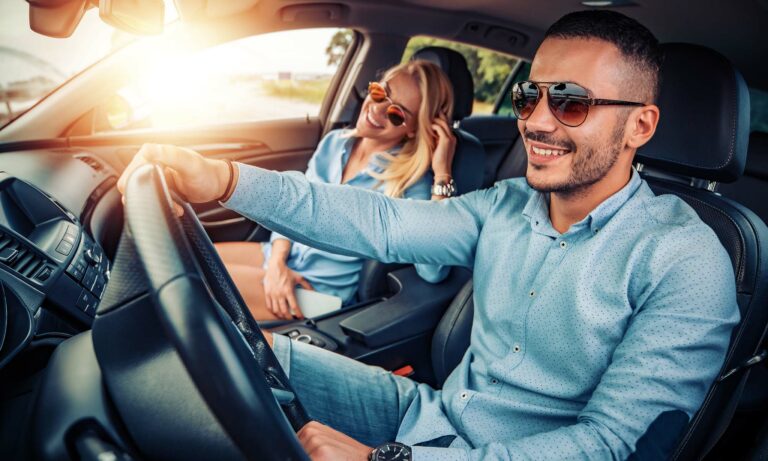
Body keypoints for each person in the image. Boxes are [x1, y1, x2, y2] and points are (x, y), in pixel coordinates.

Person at [117, 10, 739, 461]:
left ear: (641, 126)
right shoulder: (507, 203)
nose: (538, 122)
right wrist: (223, 179)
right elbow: (378, 221)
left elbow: (609, 447)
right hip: (430, 413)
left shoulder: (686, 259)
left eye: (571, 103)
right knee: (232, 350)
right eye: (529, 97)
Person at [215, 61, 456, 320]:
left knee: (196, 282)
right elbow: (291, 206)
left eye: (396, 113)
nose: (376, 109)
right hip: (283, 257)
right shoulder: (334, 143)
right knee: (190, 254)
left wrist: (442, 173)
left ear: (414, 129)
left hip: (316, 291)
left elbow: (433, 271)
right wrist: (277, 263)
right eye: (379, 93)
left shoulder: (410, 183)